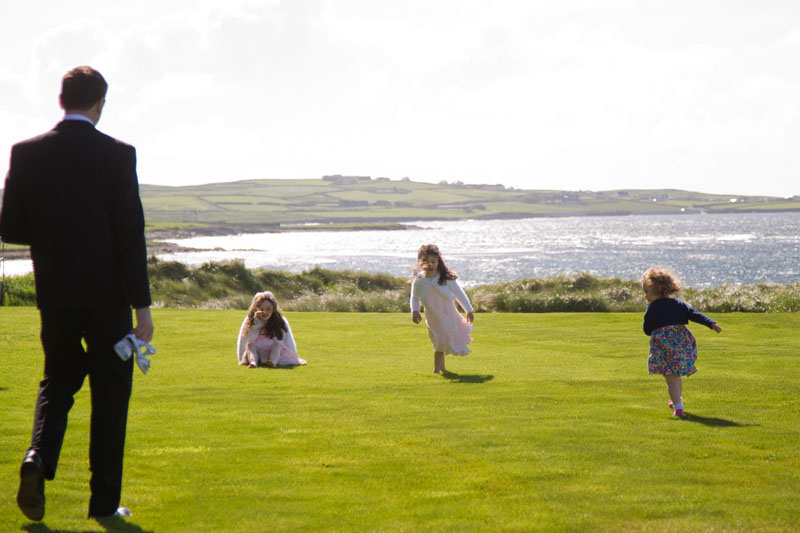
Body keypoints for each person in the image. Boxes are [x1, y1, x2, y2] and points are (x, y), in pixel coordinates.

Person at [0, 66, 153, 521]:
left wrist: (53, 232)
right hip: (108, 297)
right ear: (99, 103)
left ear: (61, 100)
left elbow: (10, 228)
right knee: (111, 393)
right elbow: (130, 235)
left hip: (55, 292)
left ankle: (38, 457)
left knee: (58, 377)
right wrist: (142, 307)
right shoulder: (118, 154)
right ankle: (103, 505)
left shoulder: (26, 152)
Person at [642, 267, 721, 417]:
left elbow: (647, 329)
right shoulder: (678, 304)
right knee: (676, 373)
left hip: (663, 346)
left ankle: (678, 408)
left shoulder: (652, 308)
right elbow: (694, 314)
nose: (645, 296)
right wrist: (711, 324)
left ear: (655, 290)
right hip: (680, 343)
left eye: (647, 292)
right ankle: (676, 399)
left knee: (670, 378)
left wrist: (654, 330)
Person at [410, 244, 474, 373]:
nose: (430, 265)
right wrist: (415, 311)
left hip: (447, 313)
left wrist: (468, 310)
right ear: (420, 262)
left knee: (440, 339)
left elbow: (459, 294)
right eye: (426, 262)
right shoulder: (419, 280)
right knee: (438, 339)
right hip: (432, 315)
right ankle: (442, 368)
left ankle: (436, 370)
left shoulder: (446, 278)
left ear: (438, 261)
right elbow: (415, 298)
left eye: (433, 262)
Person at [237, 291, 306, 367]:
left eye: (268, 309)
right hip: (257, 352)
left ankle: (273, 362)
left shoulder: (280, 321)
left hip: (273, 352)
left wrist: (292, 355)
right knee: (250, 346)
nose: (265, 312)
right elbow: (244, 339)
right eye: (261, 309)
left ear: (273, 309)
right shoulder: (251, 320)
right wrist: (241, 358)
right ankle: (253, 362)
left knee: (276, 346)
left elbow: (288, 339)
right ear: (256, 309)